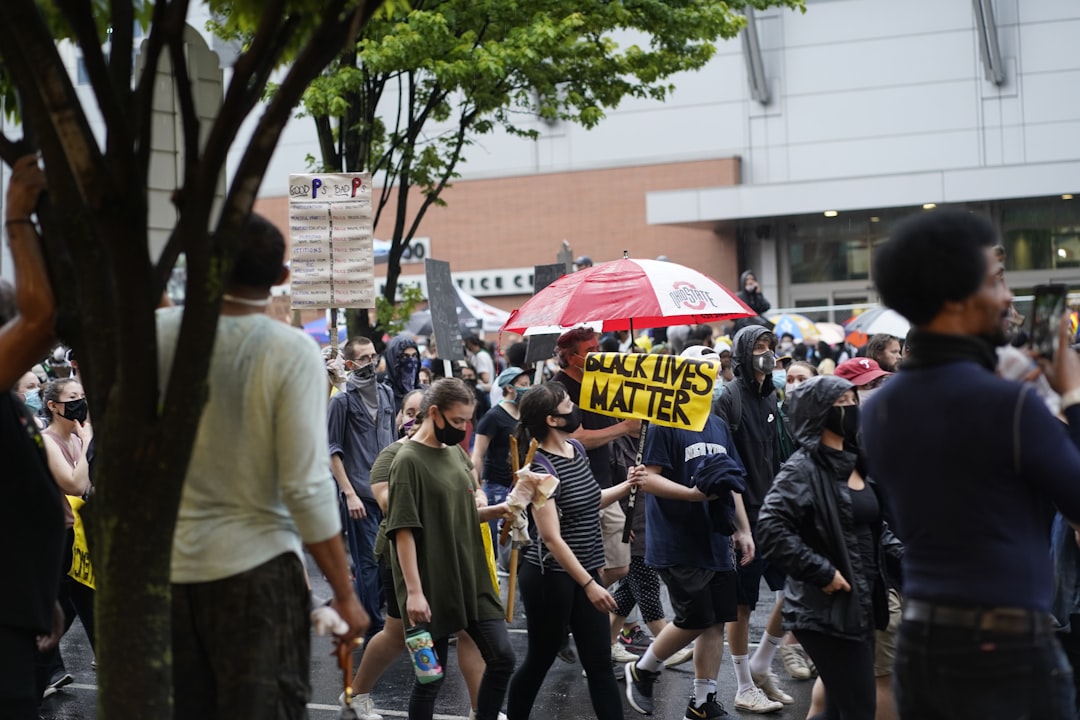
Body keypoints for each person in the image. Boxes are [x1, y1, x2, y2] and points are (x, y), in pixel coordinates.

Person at [862, 208, 1080, 719]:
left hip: (922, 640)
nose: (1009, 299)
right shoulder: (1009, 405)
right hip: (1007, 650)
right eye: (997, 281)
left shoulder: (882, 407)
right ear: (957, 299)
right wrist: (1069, 392)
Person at [159, 214, 367, 719]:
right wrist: (343, 592)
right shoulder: (290, 349)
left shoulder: (155, 335)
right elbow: (305, 484)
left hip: (164, 572)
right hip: (254, 575)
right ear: (280, 278)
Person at [757, 375, 903, 720]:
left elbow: (875, 530)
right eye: (840, 405)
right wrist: (822, 572)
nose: (851, 410)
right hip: (824, 611)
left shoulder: (855, 461)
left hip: (863, 603)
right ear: (817, 413)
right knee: (859, 707)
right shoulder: (802, 469)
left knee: (837, 707)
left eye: (852, 402)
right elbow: (770, 528)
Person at [623, 346, 756, 719]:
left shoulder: (716, 423)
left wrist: (742, 529)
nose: (710, 378)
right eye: (701, 370)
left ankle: (701, 702)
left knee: (716, 621)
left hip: (715, 538)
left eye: (714, 371)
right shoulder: (663, 420)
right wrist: (695, 495)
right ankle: (643, 668)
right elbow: (648, 479)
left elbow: (732, 481)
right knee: (695, 618)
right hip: (677, 540)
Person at [506, 382, 641, 720]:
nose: (574, 407)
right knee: (540, 658)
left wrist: (628, 484)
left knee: (599, 664)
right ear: (552, 420)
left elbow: (591, 501)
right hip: (550, 577)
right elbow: (551, 538)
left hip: (585, 571)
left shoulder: (576, 449)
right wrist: (589, 584)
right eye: (567, 404)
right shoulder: (539, 469)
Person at [386, 377, 516, 720]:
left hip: (472, 578)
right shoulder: (407, 460)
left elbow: (464, 511)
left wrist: (500, 510)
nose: (463, 428)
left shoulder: (456, 453)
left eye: (467, 421)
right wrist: (414, 593)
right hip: (428, 587)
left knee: (503, 658)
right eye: (457, 420)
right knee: (430, 679)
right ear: (434, 412)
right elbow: (403, 530)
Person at [0, 154, 67, 719]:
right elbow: (42, 317)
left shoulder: (7, 405)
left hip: (20, 610)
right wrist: (19, 219)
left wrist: (43, 596)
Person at [713, 325, 792, 712]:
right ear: (744, 353)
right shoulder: (728, 399)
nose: (767, 353)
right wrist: (737, 523)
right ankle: (744, 684)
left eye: (770, 347)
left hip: (776, 512)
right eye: (759, 347)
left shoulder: (771, 395)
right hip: (745, 515)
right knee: (741, 604)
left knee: (795, 588)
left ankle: (762, 663)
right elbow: (724, 463)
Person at [552, 327, 639, 588]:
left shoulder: (599, 382)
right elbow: (577, 439)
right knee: (592, 562)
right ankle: (583, 601)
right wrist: (623, 427)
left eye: (598, 348)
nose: (597, 355)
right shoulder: (558, 390)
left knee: (620, 565)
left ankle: (584, 598)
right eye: (590, 351)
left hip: (605, 484)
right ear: (569, 357)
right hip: (575, 489)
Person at [328, 335, 397, 639]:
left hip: (389, 493)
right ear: (350, 364)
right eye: (364, 358)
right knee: (368, 562)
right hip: (359, 495)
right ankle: (373, 626)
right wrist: (349, 493)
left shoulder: (386, 394)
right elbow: (332, 451)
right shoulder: (341, 401)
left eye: (373, 356)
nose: (371, 362)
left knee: (388, 560)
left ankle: (363, 609)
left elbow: (393, 441)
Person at [39, 378, 96, 688]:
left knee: (80, 600)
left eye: (82, 396)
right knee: (63, 602)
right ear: (52, 405)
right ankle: (42, 670)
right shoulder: (47, 441)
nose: (79, 402)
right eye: (72, 397)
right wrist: (87, 440)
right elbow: (74, 483)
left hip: (80, 534)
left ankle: (48, 669)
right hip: (59, 535)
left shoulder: (75, 438)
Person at [471, 366, 531, 573]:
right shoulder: (493, 416)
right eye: (523, 385)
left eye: (528, 384)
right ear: (509, 388)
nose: (527, 388)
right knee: (501, 545)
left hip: (521, 486)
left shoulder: (524, 415)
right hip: (498, 486)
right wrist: (476, 484)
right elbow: (478, 453)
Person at [383, 334, 422, 411]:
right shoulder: (383, 396)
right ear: (393, 360)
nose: (411, 361)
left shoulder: (424, 392)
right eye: (405, 356)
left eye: (414, 356)